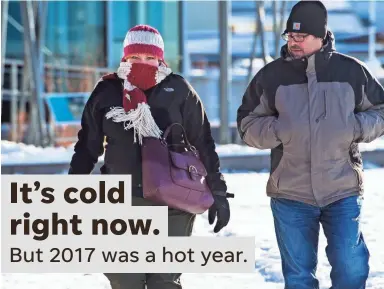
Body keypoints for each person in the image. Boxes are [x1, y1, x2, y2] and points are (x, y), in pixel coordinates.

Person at [68, 24, 232, 289]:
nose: (143, 63)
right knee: (125, 280)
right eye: (135, 58)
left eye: (150, 58)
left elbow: (203, 143)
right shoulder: (107, 92)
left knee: (164, 281)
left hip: (174, 202)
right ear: (125, 58)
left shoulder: (179, 90)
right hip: (121, 203)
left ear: (161, 59)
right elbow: (87, 147)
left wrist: (219, 193)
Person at [237, 1, 384, 288]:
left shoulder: (351, 71)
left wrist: (355, 127)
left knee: (352, 270)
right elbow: (246, 124)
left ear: (320, 36)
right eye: (289, 36)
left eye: (300, 37)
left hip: (342, 189)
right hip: (290, 193)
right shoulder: (271, 76)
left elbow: (380, 110)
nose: (293, 42)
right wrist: (280, 129)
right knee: (299, 278)